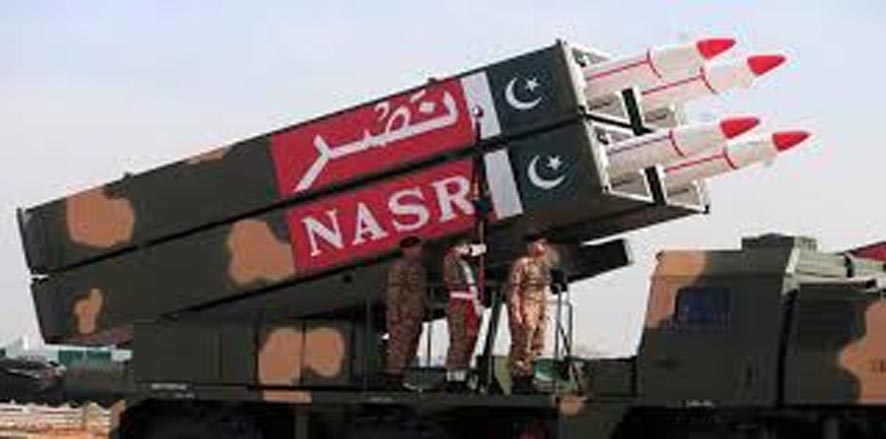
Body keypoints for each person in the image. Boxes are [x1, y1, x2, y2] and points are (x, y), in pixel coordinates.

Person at [506, 233, 556, 394]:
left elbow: (548, 279)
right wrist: (515, 311)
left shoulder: (543, 264)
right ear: (530, 245)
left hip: (541, 304)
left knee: (538, 341)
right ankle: (519, 379)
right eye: (539, 243)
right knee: (523, 340)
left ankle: (530, 377)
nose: (542, 246)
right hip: (527, 303)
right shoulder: (522, 263)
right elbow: (513, 289)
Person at [442, 238, 485, 391]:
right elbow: (452, 265)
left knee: (468, 341)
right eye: (465, 246)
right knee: (459, 341)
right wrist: (470, 250)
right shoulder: (451, 259)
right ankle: (452, 378)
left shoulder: (464, 264)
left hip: (470, 303)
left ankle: (461, 376)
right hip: (459, 304)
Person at [385, 235, 428, 390]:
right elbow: (394, 292)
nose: (420, 250)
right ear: (407, 249)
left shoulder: (419, 267)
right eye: (417, 247)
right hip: (402, 315)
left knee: (410, 348)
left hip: (415, 314)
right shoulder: (399, 266)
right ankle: (393, 381)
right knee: (398, 348)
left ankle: (400, 379)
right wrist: (394, 315)